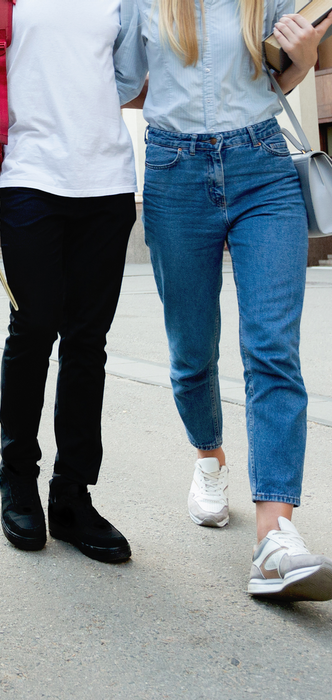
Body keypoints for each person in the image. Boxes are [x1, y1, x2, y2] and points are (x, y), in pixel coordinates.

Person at [118, 0, 332, 600]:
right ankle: (209, 458)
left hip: (262, 165)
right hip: (173, 168)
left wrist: (307, 57)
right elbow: (123, 83)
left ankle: (275, 536)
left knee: (271, 346)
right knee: (192, 350)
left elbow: (280, 73)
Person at [0, 0, 138, 563]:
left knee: (88, 343)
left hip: (108, 185)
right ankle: (18, 482)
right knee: (32, 332)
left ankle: (73, 496)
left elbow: (131, 78)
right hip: (31, 179)